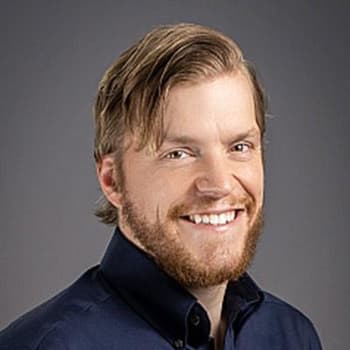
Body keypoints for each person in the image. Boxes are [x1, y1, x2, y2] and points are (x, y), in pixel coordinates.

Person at [0, 23, 322, 350]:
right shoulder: (48, 345)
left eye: (239, 147)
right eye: (178, 154)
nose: (220, 184)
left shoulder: (291, 335)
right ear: (113, 181)